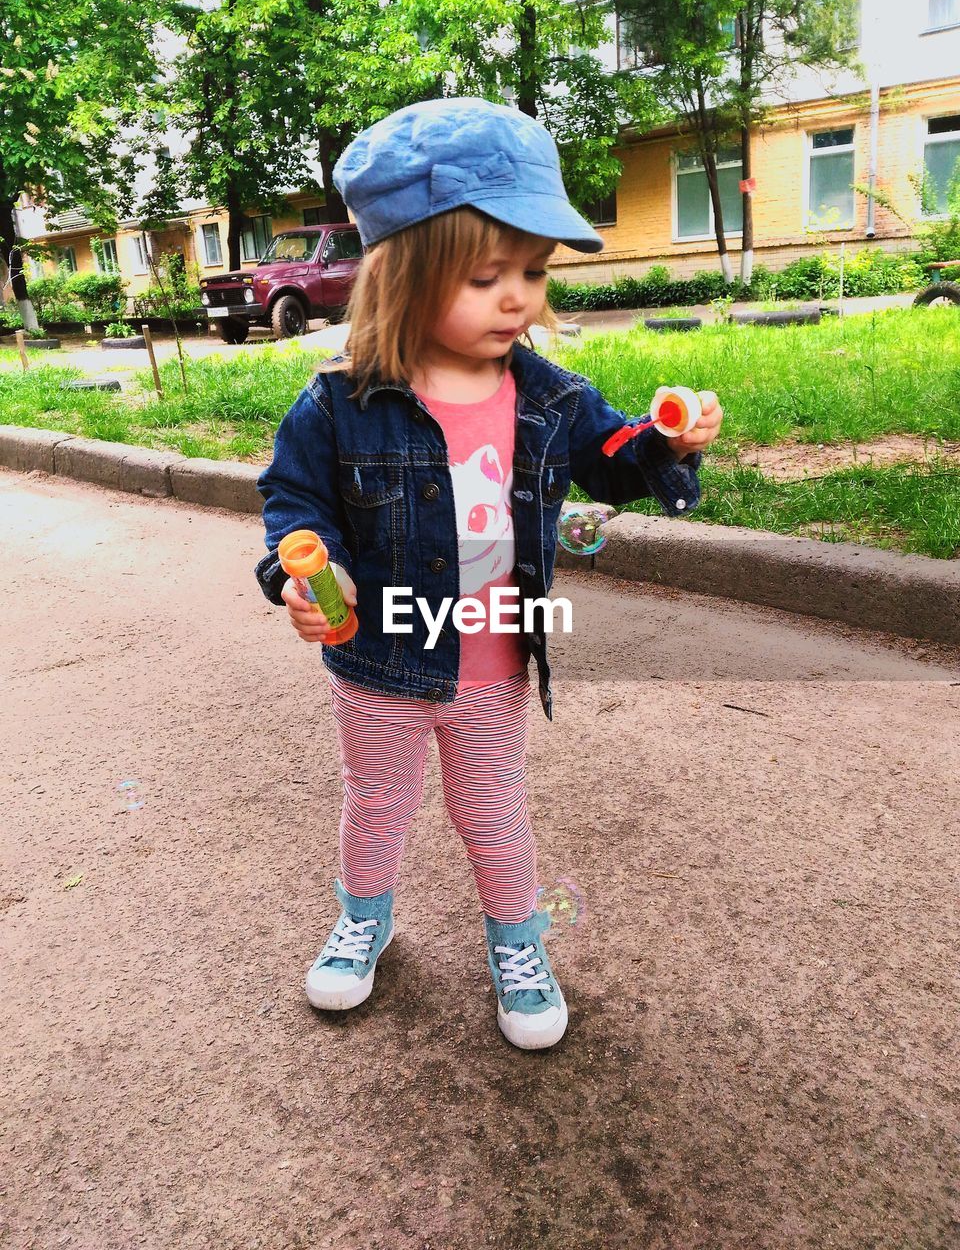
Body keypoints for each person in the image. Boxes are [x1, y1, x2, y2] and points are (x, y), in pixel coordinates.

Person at [255, 97, 723, 1050]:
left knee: (496, 816)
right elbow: (295, 508)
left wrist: (666, 443)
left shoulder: (550, 394)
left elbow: (614, 455)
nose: (519, 297)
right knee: (375, 807)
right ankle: (366, 919)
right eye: (485, 275)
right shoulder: (338, 405)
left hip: (492, 670)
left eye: (534, 271)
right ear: (402, 276)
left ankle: (518, 938)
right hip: (377, 665)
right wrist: (300, 576)